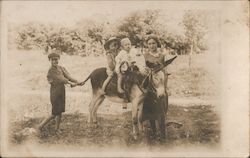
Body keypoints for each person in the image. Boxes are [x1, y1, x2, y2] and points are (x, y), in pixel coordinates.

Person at [38, 52, 79, 134]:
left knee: (60, 112)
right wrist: (72, 84)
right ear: (50, 60)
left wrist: (77, 81)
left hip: (61, 91)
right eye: (53, 60)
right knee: (54, 113)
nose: (55, 61)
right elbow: (62, 79)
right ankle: (40, 126)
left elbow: (68, 76)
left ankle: (57, 129)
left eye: (56, 59)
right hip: (55, 92)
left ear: (58, 60)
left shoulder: (61, 68)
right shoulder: (51, 70)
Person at [143, 35, 169, 107]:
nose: (152, 46)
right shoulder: (145, 56)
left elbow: (165, 71)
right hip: (149, 81)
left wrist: (165, 86)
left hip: (160, 81)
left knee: (161, 98)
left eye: (153, 43)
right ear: (147, 45)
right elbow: (143, 69)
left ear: (157, 43)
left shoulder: (162, 56)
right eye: (149, 44)